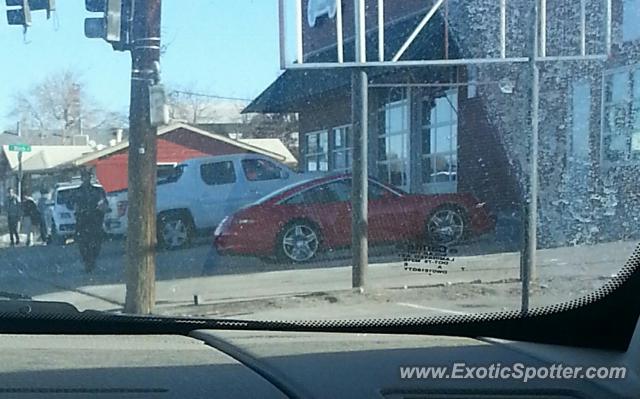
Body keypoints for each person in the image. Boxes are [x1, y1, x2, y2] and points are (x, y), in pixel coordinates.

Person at [73, 169, 108, 272]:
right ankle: (87, 262)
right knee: (83, 244)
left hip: (95, 219)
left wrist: (101, 208)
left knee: (96, 242)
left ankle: (92, 260)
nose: (86, 179)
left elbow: (104, 202)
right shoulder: (77, 192)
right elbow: (71, 204)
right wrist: (77, 210)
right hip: (82, 220)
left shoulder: (98, 190)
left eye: (88, 177)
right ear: (81, 178)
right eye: (84, 177)